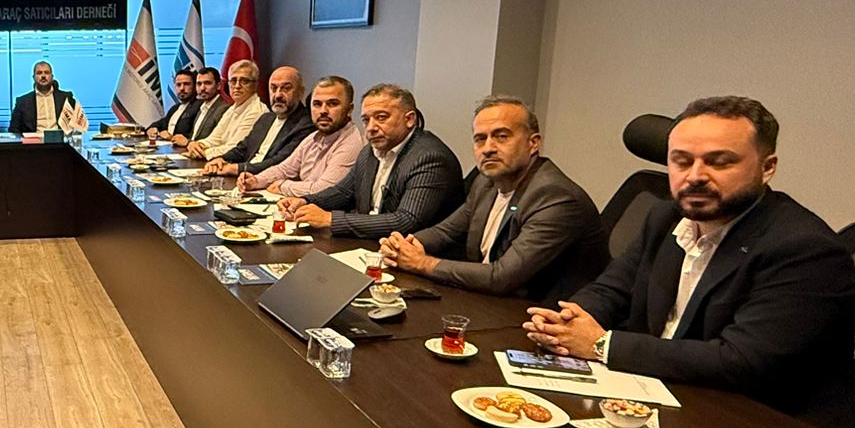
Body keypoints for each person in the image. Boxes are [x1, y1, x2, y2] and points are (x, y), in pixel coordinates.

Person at [524, 96, 855, 422]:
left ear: (767, 167)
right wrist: (564, 324)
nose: (696, 176)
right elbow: (611, 289)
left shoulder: (805, 249)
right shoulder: (666, 217)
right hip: (662, 393)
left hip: (762, 424)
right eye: (682, 161)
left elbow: (741, 361)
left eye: (719, 161)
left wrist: (601, 345)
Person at [379, 96, 604, 300]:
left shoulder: (555, 197)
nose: (488, 148)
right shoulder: (486, 183)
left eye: (501, 136)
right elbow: (446, 232)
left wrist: (421, 263)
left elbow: (501, 277)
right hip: (491, 301)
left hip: (542, 314)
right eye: (480, 139)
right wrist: (403, 245)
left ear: (533, 143)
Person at [282, 83, 462, 238]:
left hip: (417, 254)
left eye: (381, 117)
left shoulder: (429, 158)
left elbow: (406, 221)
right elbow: (343, 192)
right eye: (366, 120)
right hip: (369, 244)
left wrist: (330, 219)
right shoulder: (370, 150)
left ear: (409, 119)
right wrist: (306, 201)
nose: (371, 128)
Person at [240, 76, 365, 199]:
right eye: (317, 104)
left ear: (349, 110)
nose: (323, 111)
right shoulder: (313, 137)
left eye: (332, 104)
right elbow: (284, 169)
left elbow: (324, 189)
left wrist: (282, 186)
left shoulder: (351, 143)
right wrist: (256, 180)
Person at [203, 65, 311, 179]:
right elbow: (243, 148)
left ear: (301, 92)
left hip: (266, 181)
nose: (278, 95)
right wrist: (222, 159)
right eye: (273, 88)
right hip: (244, 178)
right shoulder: (266, 118)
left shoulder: (305, 124)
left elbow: (280, 162)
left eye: (286, 88)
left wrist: (236, 168)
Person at [186, 60, 269, 160]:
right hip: (220, 161)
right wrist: (196, 145)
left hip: (237, 165)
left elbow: (234, 148)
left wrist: (202, 152)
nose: (237, 86)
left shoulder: (257, 111)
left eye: (244, 81)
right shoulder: (232, 109)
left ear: (255, 84)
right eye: (233, 81)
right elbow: (214, 139)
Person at [8, 61, 89, 134]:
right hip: (33, 143)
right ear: (33, 77)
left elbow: (80, 124)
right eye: (39, 73)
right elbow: (13, 130)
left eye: (46, 73)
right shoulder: (22, 102)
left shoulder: (66, 98)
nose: (43, 76)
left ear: (52, 77)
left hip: (60, 143)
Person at [164, 66, 226, 148]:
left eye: (207, 83)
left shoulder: (223, 109)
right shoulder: (202, 107)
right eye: (199, 84)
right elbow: (194, 137)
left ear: (218, 85)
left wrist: (187, 142)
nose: (202, 88)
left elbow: (217, 143)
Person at [152, 70, 200, 142]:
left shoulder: (200, 106)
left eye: (186, 84)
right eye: (178, 85)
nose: (182, 88)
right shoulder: (175, 108)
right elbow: (161, 123)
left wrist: (171, 137)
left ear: (195, 86)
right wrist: (152, 128)